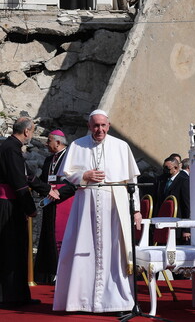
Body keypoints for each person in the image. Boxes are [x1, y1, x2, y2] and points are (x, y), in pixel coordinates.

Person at [53, 109, 142, 314]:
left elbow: (131, 182)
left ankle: (117, 302)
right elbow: (66, 175)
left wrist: (135, 210)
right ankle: (80, 301)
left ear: (108, 126)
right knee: (83, 250)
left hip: (114, 204)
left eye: (103, 125)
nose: (99, 129)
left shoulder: (121, 146)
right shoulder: (77, 145)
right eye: (95, 125)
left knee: (115, 252)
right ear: (89, 126)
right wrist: (84, 175)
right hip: (86, 205)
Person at [0, 117, 59, 308]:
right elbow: (20, 184)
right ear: (26, 131)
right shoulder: (11, 150)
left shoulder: (12, 148)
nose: (31, 135)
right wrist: (30, 208)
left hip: (9, 204)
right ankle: (7, 297)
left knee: (16, 250)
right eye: (32, 132)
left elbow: (28, 176)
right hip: (8, 206)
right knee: (10, 250)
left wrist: (46, 188)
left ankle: (16, 295)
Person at [34, 130, 75, 284]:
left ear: (58, 142)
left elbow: (75, 182)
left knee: (62, 239)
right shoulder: (48, 160)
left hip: (64, 203)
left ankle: (63, 274)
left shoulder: (71, 157)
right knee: (47, 238)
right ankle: (48, 275)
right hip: (50, 204)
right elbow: (44, 180)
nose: (46, 143)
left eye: (49, 140)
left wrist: (57, 192)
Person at [153, 156, 190, 244]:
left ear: (176, 168)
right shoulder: (162, 181)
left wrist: (186, 229)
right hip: (163, 224)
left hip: (177, 225)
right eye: (164, 167)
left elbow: (187, 205)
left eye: (167, 168)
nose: (165, 170)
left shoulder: (183, 181)